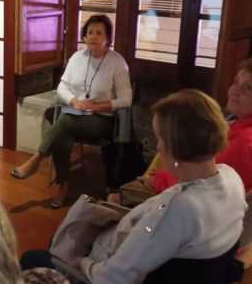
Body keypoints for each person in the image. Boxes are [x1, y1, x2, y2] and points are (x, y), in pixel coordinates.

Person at [22, 89, 247, 284]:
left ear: (177, 147)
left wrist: (79, 261)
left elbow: (113, 280)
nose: (158, 147)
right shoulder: (231, 180)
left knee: (37, 261)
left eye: (160, 138)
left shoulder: (181, 208)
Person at [12, 14, 132, 208]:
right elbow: (62, 87)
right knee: (64, 133)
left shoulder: (117, 62)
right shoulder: (77, 57)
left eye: (99, 32)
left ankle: (38, 160)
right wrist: (74, 101)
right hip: (75, 114)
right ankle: (62, 185)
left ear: (108, 39)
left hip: (101, 120)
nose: (93, 36)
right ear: (84, 36)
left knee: (65, 122)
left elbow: (126, 99)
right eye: (90, 32)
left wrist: (97, 106)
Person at [108, 58, 252, 207]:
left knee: (114, 200)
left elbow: (201, 185)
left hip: (180, 193)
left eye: (247, 88)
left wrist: (157, 179)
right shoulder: (236, 122)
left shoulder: (244, 143)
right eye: (236, 82)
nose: (235, 91)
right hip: (179, 180)